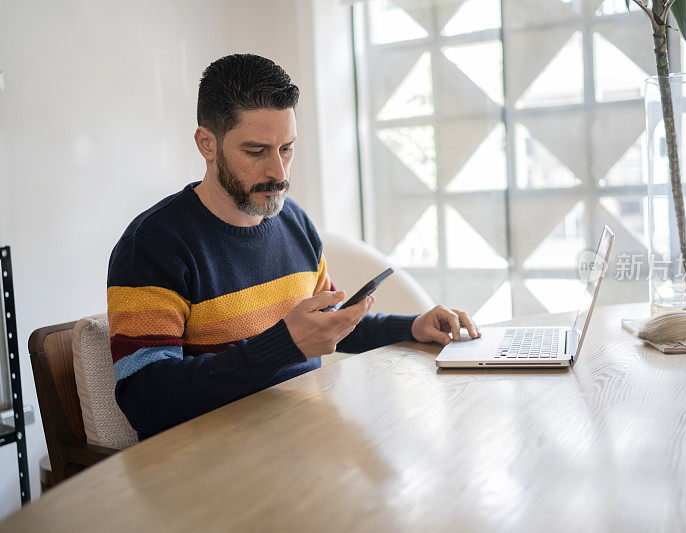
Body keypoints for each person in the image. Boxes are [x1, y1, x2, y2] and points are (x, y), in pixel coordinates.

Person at [107, 53, 480, 440]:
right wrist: (283, 346)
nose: (279, 173)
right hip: (215, 462)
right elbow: (144, 400)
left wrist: (412, 327)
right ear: (206, 144)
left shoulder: (295, 223)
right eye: (256, 152)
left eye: (287, 148)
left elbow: (327, 326)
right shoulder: (153, 246)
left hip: (302, 435)